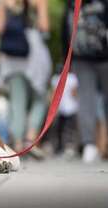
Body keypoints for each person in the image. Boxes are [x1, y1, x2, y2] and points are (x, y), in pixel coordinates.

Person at [0, 0, 51, 159]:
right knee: (41, 97)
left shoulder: (4, 3)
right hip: (34, 51)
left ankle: (18, 144)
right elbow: (44, 26)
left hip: (11, 55)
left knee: (16, 99)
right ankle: (30, 138)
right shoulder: (38, 2)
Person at [63, 0, 108, 163]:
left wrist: (65, 61)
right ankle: (90, 144)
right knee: (89, 100)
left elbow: (65, 29)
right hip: (94, 56)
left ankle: (89, 145)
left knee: (86, 100)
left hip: (82, 57)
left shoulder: (73, 2)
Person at [51, 71, 79, 159]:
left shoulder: (55, 78)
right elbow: (74, 93)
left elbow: (53, 94)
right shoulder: (73, 77)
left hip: (60, 108)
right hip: (71, 108)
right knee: (70, 130)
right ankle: (69, 147)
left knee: (60, 129)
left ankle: (60, 148)